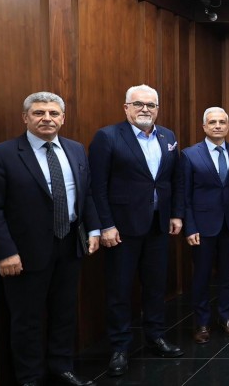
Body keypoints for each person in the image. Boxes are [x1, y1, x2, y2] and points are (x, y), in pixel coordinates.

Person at [0, 92, 100, 386]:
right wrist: (5, 252)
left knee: (64, 312)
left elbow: (86, 194)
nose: (47, 118)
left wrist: (93, 230)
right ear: (25, 117)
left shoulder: (75, 149)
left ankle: (61, 366)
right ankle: (30, 377)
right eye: (39, 113)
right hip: (24, 252)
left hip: (70, 245)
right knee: (27, 319)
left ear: (63, 118)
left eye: (54, 113)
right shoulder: (1, 154)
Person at [89, 84, 185, 377]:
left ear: (158, 109)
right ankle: (120, 347)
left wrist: (176, 214)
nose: (145, 109)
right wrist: (106, 225)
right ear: (126, 107)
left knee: (155, 285)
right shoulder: (107, 136)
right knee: (119, 289)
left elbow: (174, 179)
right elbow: (97, 186)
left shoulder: (168, 136)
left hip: (158, 225)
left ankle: (156, 336)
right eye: (138, 104)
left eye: (151, 105)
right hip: (121, 229)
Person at [181, 107, 229, 344]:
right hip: (202, 226)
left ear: (227, 126)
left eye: (222, 122)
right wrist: (190, 227)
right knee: (202, 275)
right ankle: (202, 323)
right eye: (212, 122)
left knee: (228, 274)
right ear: (204, 127)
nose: (217, 126)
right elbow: (185, 195)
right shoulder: (189, 155)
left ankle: (226, 317)